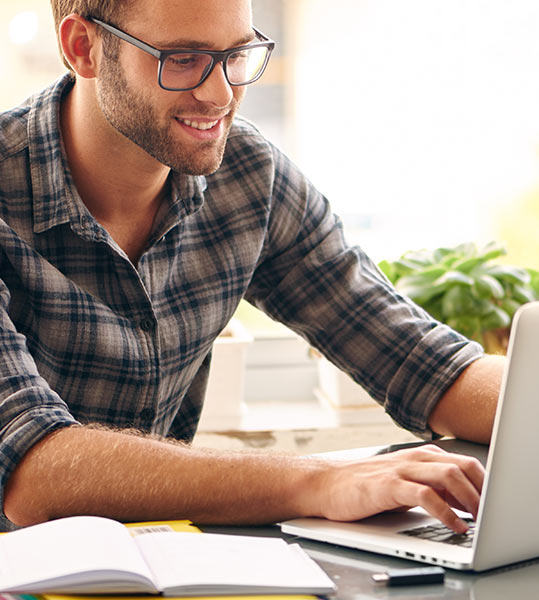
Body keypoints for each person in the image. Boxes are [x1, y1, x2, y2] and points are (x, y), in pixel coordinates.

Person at [0, 0, 505, 533]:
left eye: (236, 55)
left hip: (157, 566)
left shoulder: (248, 175)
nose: (221, 94)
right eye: (183, 59)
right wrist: (322, 481)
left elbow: (423, 365)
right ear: (83, 47)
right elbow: (33, 471)